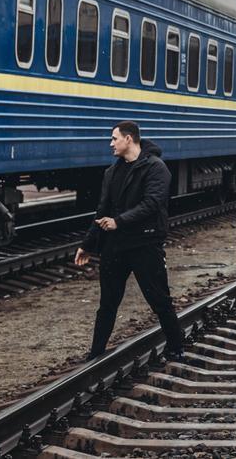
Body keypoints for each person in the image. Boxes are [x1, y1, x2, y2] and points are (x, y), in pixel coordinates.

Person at [74, 122, 184, 363]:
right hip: (116, 246)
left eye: (114, 138)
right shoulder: (111, 172)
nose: (111, 143)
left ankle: (176, 348)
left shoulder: (156, 168)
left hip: (145, 243)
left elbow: (151, 204)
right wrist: (87, 244)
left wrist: (119, 222)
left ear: (129, 139)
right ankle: (95, 354)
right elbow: (101, 210)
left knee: (159, 300)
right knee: (107, 303)